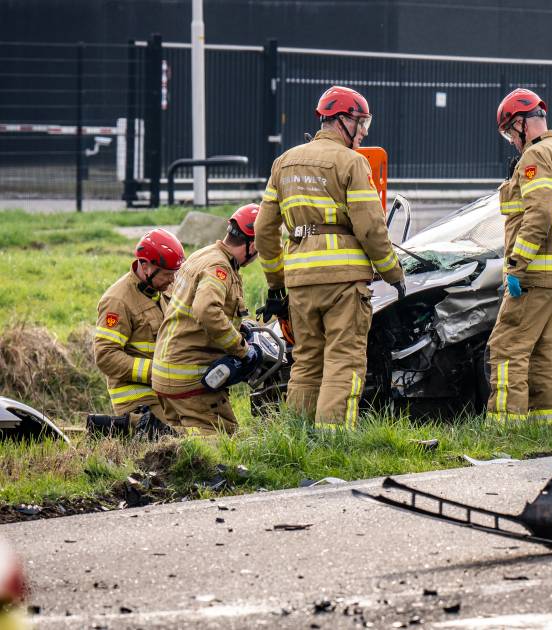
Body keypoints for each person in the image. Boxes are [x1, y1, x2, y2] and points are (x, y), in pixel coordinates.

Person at [253, 85, 405, 429]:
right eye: (361, 121)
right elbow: (370, 229)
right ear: (340, 120)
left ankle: (297, 436)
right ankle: (333, 439)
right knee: (345, 360)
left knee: (306, 361)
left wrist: (277, 283)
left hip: (300, 283)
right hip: (343, 282)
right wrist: (393, 273)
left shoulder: (283, 163)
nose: (364, 130)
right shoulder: (352, 162)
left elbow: (264, 230)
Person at [487, 88, 552, 425]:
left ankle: (505, 426)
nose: (511, 142)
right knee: (548, 354)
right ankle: (551, 428)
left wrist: (517, 265)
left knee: (507, 348)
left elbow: (540, 214)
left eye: (508, 133)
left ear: (520, 124)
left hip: (534, 277)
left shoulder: (535, 157)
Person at [152, 204, 262, 435]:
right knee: (223, 438)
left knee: (177, 439)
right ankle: (139, 432)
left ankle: (155, 448)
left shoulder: (204, 254)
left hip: (166, 371)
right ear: (252, 245)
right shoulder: (219, 267)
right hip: (189, 376)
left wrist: (240, 328)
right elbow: (206, 310)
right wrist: (242, 350)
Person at [93, 229, 185, 426]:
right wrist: (156, 371)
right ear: (145, 266)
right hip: (138, 397)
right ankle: (118, 429)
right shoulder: (117, 301)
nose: (173, 280)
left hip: (166, 390)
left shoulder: (161, 289)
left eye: (174, 273)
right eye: (168, 274)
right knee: (173, 439)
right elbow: (105, 356)